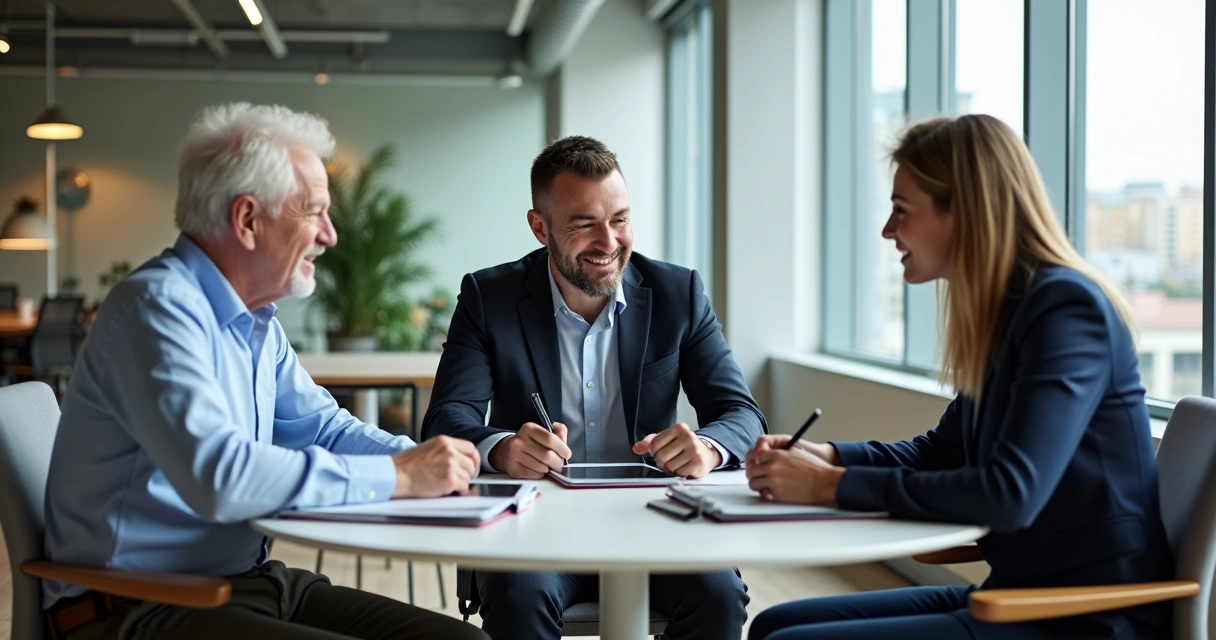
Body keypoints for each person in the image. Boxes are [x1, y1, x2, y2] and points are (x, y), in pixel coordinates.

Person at [42, 102, 488, 640]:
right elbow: (222, 478)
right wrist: (400, 477)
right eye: (313, 211)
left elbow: (323, 428)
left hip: (243, 583)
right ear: (247, 219)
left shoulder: (256, 319)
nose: (330, 235)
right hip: (137, 605)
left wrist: (432, 464)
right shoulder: (155, 310)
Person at [745, 114, 1173, 640]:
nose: (887, 230)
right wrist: (827, 457)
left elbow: (1010, 493)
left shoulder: (1065, 310)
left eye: (901, 211)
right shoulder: (1007, 312)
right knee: (772, 623)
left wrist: (832, 487)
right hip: (1019, 592)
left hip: (1088, 616)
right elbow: (938, 451)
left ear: (964, 213)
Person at [421, 135, 765, 639]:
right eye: (584, 225)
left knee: (720, 595)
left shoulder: (679, 293)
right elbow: (446, 418)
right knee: (518, 599)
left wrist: (708, 449)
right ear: (540, 227)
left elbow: (742, 414)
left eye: (620, 219)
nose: (609, 242)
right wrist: (502, 449)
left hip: (656, 524)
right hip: (534, 529)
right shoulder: (487, 296)